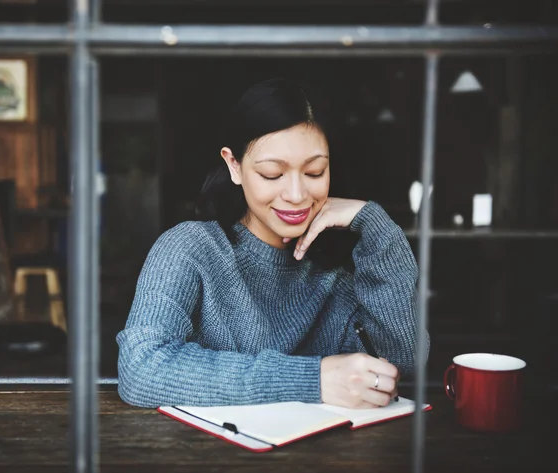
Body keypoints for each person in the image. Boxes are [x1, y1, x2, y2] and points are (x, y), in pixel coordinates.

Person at [116, 78, 427, 409]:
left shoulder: (336, 276)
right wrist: (312, 380)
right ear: (234, 166)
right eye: (272, 174)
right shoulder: (190, 249)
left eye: (314, 172)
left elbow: (401, 361)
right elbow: (141, 370)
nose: (296, 196)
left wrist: (375, 225)